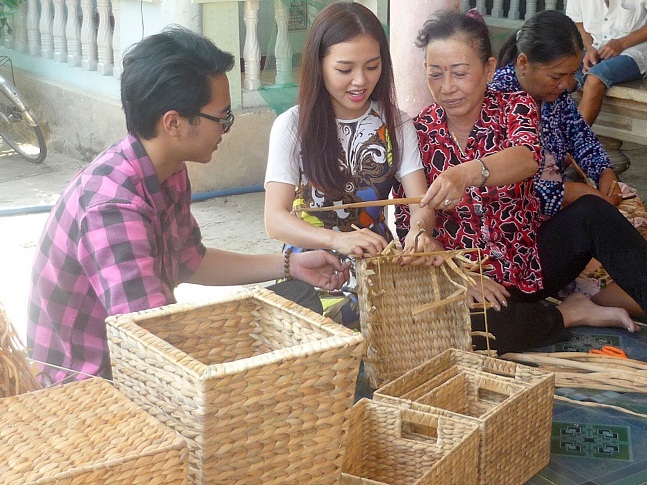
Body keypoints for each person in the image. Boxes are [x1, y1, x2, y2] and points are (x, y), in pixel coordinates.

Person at [27, 26, 351, 386]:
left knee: (297, 299)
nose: (226, 129)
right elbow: (152, 340)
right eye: (222, 118)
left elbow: (189, 260)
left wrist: (291, 265)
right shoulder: (113, 208)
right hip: (100, 386)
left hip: (146, 350)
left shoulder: (168, 169)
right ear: (174, 123)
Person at [394, 10, 647, 355]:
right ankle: (567, 315)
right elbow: (412, 224)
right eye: (435, 74)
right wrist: (457, 276)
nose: (447, 87)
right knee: (466, 331)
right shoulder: (417, 132)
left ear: (488, 69)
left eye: (460, 72)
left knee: (592, 212)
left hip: (529, 263)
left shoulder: (516, 107)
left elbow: (528, 156)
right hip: (472, 286)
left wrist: (464, 173)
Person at [263, 3, 436, 329]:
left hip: (376, 265)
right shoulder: (292, 125)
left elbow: (420, 203)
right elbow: (275, 219)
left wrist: (419, 230)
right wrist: (335, 240)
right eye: (345, 69)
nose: (360, 81)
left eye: (372, 66)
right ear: (319, 65)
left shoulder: (396, 124)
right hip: (311, 263)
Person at [492, 10, 646, 318]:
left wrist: (605, 173)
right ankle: (591, 302)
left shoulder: (554, 93)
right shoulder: (496, 100)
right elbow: (506, 199)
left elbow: (581, 137)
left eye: (572, 75)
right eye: (557, 76)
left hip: (551, 229)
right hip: (514, 255)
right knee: (597, 216)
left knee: (621, 208)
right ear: (523, 63)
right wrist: (569, 192)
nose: (567, 85)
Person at [565, 0, 647, 127]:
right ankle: (545, 137)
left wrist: (622, 43)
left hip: (633, 51)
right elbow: (577, 22)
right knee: (562, 76)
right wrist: (589, 47)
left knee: (595, 78)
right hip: (593, 48)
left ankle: (574, 142)